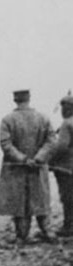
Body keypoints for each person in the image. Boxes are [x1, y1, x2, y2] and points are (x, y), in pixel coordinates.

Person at [0, 90, 55, 245]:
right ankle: (47, 231)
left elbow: (6, 144)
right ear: (29, 99)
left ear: (15, 100)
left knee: (20, 202)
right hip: (38, 167)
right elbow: (51, 141)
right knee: (41, 199)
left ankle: (22, 235)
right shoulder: (43, 118)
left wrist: (23, 159)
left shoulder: (8, 120)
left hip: (17, 168)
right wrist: (38, 158)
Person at [47, 95, 73, 237]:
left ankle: (69, 226)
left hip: (66, 167)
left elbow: (61, 147)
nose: (62, 110)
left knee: (67, 196)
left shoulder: (66, 124)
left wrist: (50, 161)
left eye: (64, 107)